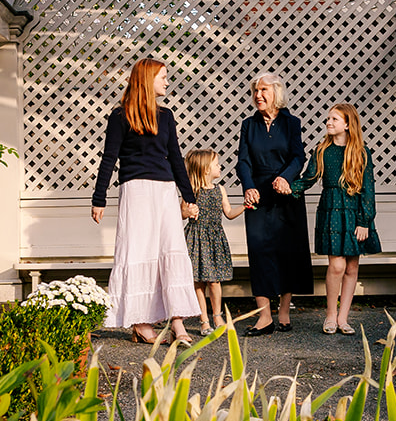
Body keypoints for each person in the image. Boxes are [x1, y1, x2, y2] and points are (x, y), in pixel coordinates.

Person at [91, 58, 200, 345]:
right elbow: (108, 158)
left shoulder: (166, 117)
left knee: (171, 249)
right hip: (135, 191)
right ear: (147, 80)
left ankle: (177, 323)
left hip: (164, 191)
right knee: (139, 251)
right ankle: (140, 323)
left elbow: (176, 158)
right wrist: (98, 197)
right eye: (163, 77)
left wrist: (189, 197)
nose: (167, 82)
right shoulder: (120, 116)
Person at [292, 102, 381, 335]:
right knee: (337, 265)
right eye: (328, 119)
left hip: (355, 213)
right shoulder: (322, 150)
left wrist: (364, 220)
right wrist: (288, 188)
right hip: (331, 210)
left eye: (334, 119)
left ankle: (343, 318)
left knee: (352, 267)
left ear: (348, 125)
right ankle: (330, 315)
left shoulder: (362, 153)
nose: (329, 123)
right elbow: (309, 178)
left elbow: (368, 189)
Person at [236, 72, 313, 335]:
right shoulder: (249, 124)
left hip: (285, 193)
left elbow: (298, 157)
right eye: (255, 90)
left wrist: (285, 177)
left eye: (263, 90)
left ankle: (283, 311)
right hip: (258, 195)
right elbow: (243, 161)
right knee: (259, 252)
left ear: (276, 92)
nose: (258, 95)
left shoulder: (292, 123)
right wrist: (248, 187)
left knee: (286, 251)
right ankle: (264, 316)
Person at [182, 148, 243, 335]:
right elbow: (181, 213)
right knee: (198, 282)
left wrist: (245, 206)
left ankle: (217, 315)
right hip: (196, 239)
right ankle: (204, 320)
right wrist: (188, 212)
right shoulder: (191, 190)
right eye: (216, 164)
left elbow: (229, 213)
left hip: (215, 239)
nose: (220, 167)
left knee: (214, 281)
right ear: (206, 169)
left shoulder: (220, 189)